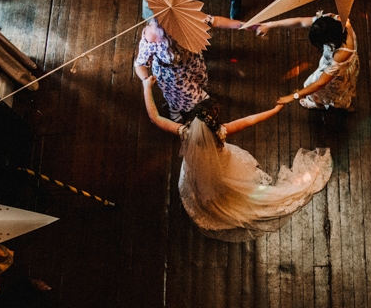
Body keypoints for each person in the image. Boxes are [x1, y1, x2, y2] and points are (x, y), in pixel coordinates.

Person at [142, 80, 332, 241]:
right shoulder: (221, 132)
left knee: (202, 185)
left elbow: (154, 117)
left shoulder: (184, 132)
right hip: (222, 165)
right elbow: (251, 120)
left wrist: (146, 86)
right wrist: (275, 109)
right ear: (214, 120)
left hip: (198, 169)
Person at [134, 15, 244, 122]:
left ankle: (176, 107)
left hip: (193, 63)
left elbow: (215, 21)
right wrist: (145, 79)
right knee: (180, 99)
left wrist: (245, 25)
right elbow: (140, 63)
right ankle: (174, 110)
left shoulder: (187, 17)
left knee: (199, 83)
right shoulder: (152, 34)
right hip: (173, 76)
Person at [253, 13, 360, 111]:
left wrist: (292, 96)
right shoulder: (332, 21)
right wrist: (269, 25)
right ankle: (332, 103)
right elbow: (300, 22)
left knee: (327, 91)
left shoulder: (341, 54)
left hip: (337, 73)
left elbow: (320, 83)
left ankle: (318, 104)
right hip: (337, 64)